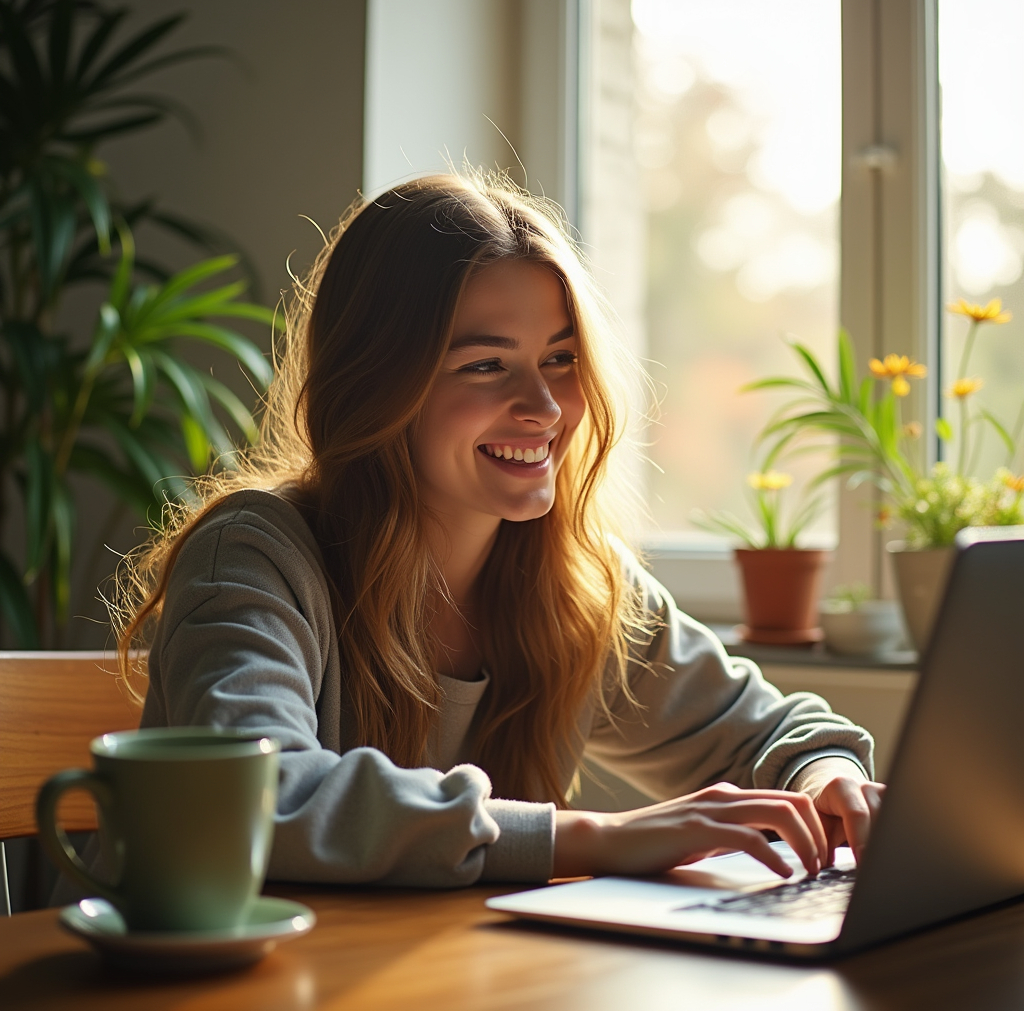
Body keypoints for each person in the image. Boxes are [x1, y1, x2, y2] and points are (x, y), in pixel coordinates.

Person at [115, 173, 882, 888]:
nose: (545, 408)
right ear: (376, 382)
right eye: (486, 366)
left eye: (560, 360)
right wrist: (593, 838)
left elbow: (768, 734)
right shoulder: (253, 556)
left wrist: (826, 779)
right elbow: (260, 794)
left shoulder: (575, 583)